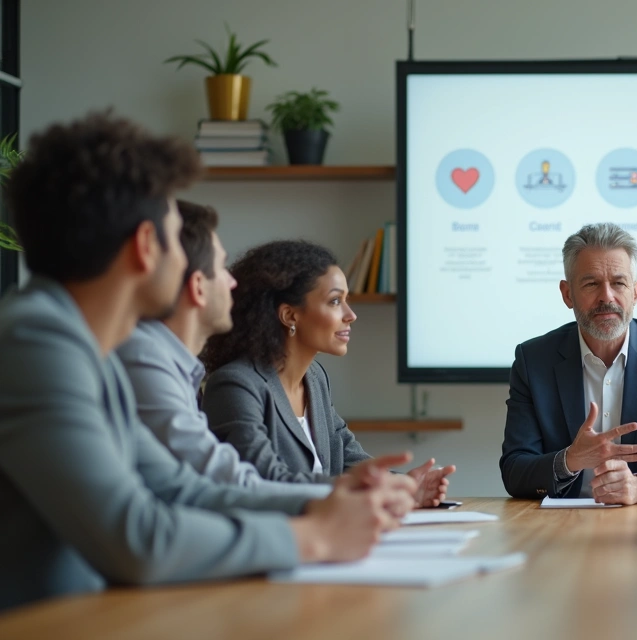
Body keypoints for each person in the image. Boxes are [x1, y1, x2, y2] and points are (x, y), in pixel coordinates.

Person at [0, 112, 415, 611]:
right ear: (146, 247)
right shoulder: (37, 342)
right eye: (178, 236)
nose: (192, 264)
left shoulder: (89, 348)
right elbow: (137, 539)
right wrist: (315, 538)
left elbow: (178, 486)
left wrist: (328, 503)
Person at [199, 240, 455, 507]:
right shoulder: (235, 386)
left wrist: (404, 486)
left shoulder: (315, 378)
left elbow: (349, 461)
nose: (351, 315)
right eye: (335, 301)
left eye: (347, 301)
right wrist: (373, 490)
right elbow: (265, 480)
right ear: (289, 315)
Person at [117, 201, 333, 498]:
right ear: (197, 286)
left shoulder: (181, 371)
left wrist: (400, 486)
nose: (233, 282)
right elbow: (235, 482)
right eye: (221, 267)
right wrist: (353, 493)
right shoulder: (147, 363)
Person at [500, 222, 637, 504]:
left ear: (636, 292)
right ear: (567, 294)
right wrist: (570, 460)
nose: (607, 296)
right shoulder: (533, 361)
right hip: (562, 523)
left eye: (619, 283)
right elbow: (514, 471)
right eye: (591, 283)